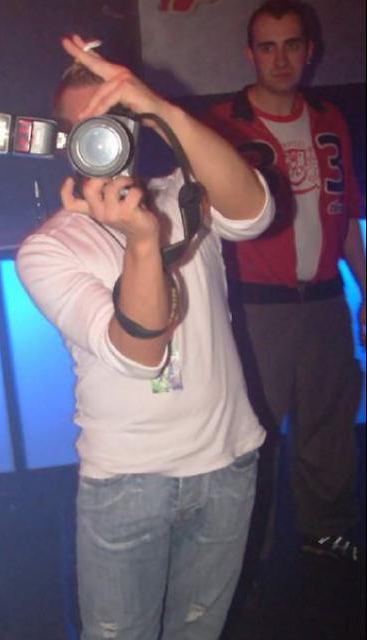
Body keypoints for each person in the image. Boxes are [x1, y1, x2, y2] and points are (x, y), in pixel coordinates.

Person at [16, 35, 275, 640]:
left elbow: (255, 213)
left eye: (116, 116)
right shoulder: (47, 248)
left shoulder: (184, 195)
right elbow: (139, 352)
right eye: (86, 126)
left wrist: (162, 109)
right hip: (127, 481)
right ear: (66, 141)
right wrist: (140, 240)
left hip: (226, 462)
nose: (103, 137)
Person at [204, 0, 365, 569]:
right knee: (254, 433)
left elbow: (345, 215)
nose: (280, 58)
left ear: (308, 51)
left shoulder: (328, 118)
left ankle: (324, 532)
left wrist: (365, 289)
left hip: (323, 299)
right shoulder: (221, 124)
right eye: (267, 47)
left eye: (291, 45)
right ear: (250, 54)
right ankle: (247, 553)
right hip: (256, 306)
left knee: (329, 426)